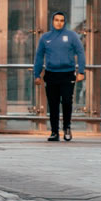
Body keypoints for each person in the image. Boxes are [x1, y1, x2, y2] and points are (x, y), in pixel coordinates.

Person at [32, 11, 85, 142]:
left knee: (67, 101)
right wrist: (37, 74)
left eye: (61, 20)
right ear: (52, 21)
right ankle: (54, 132)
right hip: (51, 74)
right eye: (56, 20)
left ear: (64, 22)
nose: (59, 22)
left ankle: (67, 127)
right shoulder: (45, 37)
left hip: (68, 74)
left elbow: (80, 52)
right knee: (53, 104)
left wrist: (81, 71)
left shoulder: (72, 36)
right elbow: (39, 56)